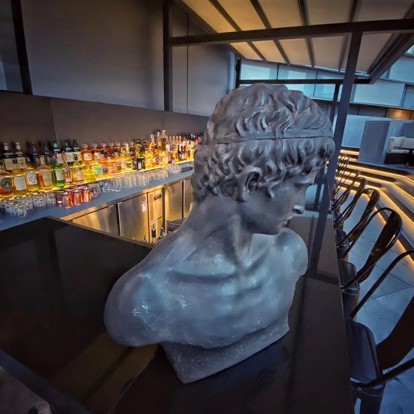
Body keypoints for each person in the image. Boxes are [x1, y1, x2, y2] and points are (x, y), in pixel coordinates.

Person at [104, 84, 335, 381]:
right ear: (250, 183)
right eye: (299, 187)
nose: (302, 206)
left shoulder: (291, 253)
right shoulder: (145, 297)